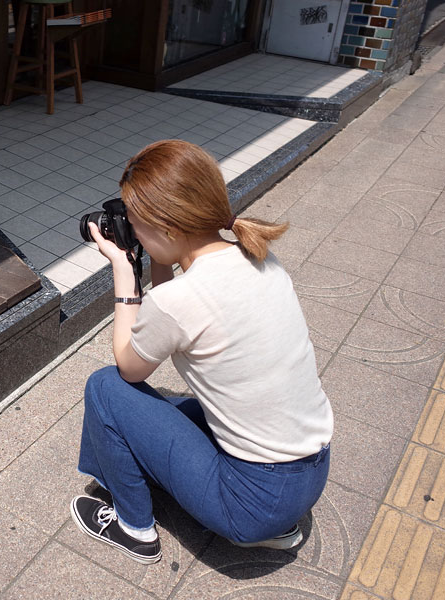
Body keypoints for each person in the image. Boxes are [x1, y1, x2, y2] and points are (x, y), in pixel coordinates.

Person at [71, 139, 333, 565]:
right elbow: (173, 296)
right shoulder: (258, 256)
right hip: (307, 476)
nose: (131, 232)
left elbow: (129, 368)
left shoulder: (181, 301)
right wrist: (153, 259)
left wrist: (123, 270)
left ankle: (133, 528)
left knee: (105, 389)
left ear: (170, 227)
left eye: (136, 223)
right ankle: (275, 524)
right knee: (179, 409)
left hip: (251, 502)